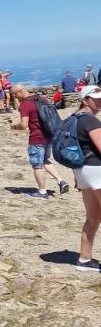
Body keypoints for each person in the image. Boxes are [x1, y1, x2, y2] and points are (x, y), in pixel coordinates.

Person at [10, 82, 69, 199]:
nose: (16, 98)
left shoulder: (25, 105)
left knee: (37, 164)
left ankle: (42, 192)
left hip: (36, 138)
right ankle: (61, 181)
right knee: (45, 159)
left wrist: (14, 126)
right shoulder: (42, 99)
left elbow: (23, 125)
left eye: (16, 95)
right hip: (49, 135)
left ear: (20, 92)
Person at [72, 85, 101, 272]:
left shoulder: (74, 118)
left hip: (81, 172)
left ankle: (84, 260)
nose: (99, 102)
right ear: (85, 100)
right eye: (96, 99)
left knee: (93, 217)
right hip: (97, 171)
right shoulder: (90, 120)